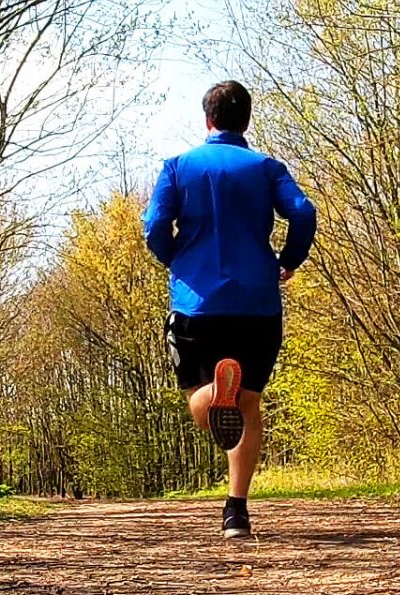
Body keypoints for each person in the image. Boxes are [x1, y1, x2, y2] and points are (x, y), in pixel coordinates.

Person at [142, 80, 317, 539]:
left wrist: (174, 256)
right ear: (247, 120)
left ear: (208, 120)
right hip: (257, 303)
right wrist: (288, 260)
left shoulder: (179, 167)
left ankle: (214, 394)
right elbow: (302, 212)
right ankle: (235, 511)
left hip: (196, 302)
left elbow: (155, 224)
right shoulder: (266, 167)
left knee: (204, 400)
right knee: (250, 405)